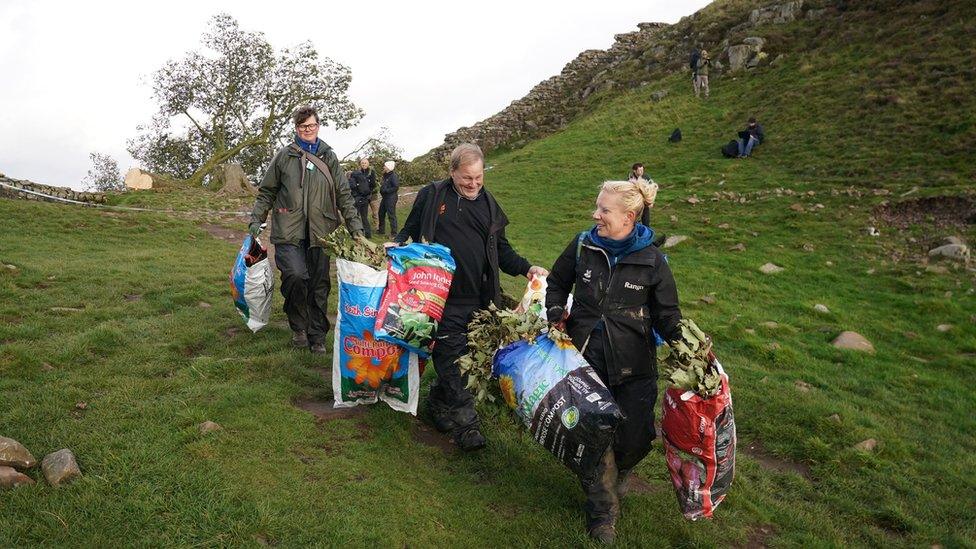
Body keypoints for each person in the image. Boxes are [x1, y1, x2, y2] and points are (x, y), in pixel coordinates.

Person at [545, 179, 682, 544]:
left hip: (635, 365)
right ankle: (602, 514)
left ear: (629, 217)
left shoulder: (652, 259)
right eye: (597, 207)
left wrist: (687, 348)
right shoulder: (583, 245)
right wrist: (556, 309)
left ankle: (620, 469)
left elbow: (668, 315)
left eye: (604, 210)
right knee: (595, 437)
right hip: (584, 360)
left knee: (635, 439)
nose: (596, 215)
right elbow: (557, 281)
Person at [392, 143, 547, 451]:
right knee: (452, 359)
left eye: (478, 177)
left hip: (479, 299)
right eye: (466, 178)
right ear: (452, 173)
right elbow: (408, 230)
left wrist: (527, 268)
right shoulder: (433, 195)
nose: (474, 184)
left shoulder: (489, 206)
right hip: (438, 296)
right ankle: (467, 427)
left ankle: (438, 402)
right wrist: (394, 248)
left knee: (471, 360)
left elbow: (502, 251)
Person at [249, 106, 366, 354]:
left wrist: (356, 228)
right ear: (296, 129)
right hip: (288, 229)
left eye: (311, 125)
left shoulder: (329, 157)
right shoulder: (284, 157)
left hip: (322, 230)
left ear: (318, 126)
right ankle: (298, 326)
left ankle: (317, 335)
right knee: (295, 276)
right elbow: (267, 192)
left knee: (318, 284)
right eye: (303, 127)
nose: (307, 130)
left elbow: (344, 194)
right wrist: (256, 221)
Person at [348, 158, 375, 238]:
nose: (363, 164)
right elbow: (372, 185)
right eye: (362, 163)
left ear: (368, 164)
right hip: (365, 198)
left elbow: (352, 186)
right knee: (364, 217)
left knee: (356, 216)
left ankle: (357, 233)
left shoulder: (355, 174)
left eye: (365, 163)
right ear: (360, 164)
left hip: (358, 198)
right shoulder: (362, 174)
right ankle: (368, 234)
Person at [626, 163, 657, 227]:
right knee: (633, 221)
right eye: (639, 170)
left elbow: (652, 189)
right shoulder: (630, 179)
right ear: (634, 171)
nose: (641, 172)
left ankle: (648, 235)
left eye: (642, 170)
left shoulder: (646, 177)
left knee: (646, 221)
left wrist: (651, 202)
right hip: (635, 204)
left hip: (645, 203)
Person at [378, 160, 399, 236]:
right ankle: (381, 230)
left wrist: (386, 190)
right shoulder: (385, 175)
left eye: (385, 166)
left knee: (391, 215)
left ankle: (394, 233)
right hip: (385, 198)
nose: (383, 167)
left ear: (388, 167)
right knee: (381, 213)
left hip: (391, 198)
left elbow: (396, 187)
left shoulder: (393, 176)